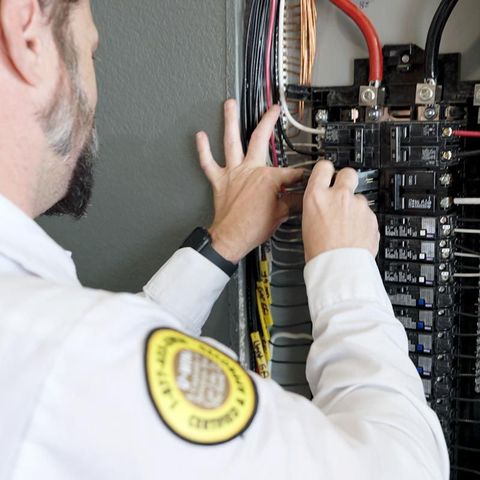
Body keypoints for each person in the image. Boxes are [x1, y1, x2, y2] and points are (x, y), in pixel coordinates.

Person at [0, 1, 449, 479]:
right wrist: (345, 273)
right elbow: (405, 468)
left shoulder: (44, 341)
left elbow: (105, 375)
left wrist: (221, 244)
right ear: (27, 34)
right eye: (91, 52)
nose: (94, 91)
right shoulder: (65, 355)